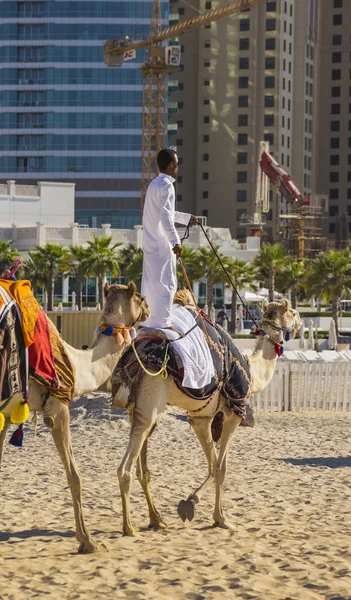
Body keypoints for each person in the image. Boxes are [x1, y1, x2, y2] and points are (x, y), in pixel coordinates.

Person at [141, 148, 198, 329]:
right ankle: (164, 324)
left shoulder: (154, 184)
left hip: (150, 244)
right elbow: (165, 217)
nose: (177, 167)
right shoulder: (167, 185)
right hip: (162, 245)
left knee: (151, 284)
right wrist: (175, 241)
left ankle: (149, 321)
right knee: (167, 283)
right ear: (171, 164)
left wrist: (185, 218)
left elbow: (166, 213)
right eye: (177, 164)